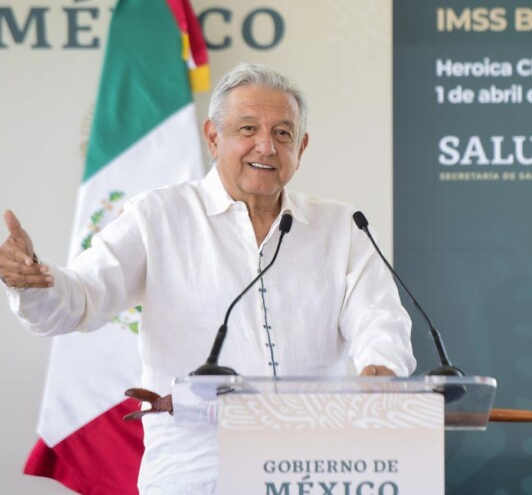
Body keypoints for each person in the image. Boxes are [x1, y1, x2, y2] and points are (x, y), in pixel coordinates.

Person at [0, 62, 416, 493]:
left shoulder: (343, 226)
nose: (266, 147)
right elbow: (83, 297)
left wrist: (380, 369)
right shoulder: (159, 216)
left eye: (282, 133)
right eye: (248, 129)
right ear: (214, 138)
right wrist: (32, 283)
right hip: (196, 471)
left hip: (314, 470)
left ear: (302, 147)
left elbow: (380, 318)